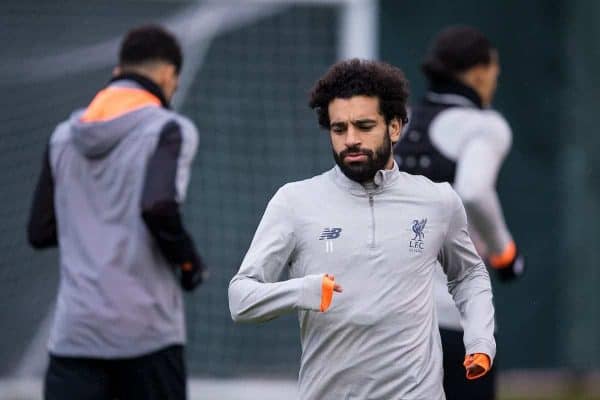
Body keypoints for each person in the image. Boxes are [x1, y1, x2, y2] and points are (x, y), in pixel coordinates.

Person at [228, 59, 495, 400]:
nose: (351, 139)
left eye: (364, 126)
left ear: (395, 127)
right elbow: (240, 298)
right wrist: (302, 291)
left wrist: (480, 340)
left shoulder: (437, 199)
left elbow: (470, 275)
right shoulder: (294, 201)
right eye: (339, 129)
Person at [27, 25, 206, 400]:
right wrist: (190, 264)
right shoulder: (169, 130)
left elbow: (40, 231)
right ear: (168, 76)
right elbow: (157, 206)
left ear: (117, 73)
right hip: (147, 338)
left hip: (74, 339)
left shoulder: (62, 137)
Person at [394, 26, 526, 399]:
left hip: (393, 322)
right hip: (457, 318)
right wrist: (505, 253)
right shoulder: (484, 126)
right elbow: (474, 190)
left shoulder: (394, 124)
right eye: (495, 70)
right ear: (480, 72)